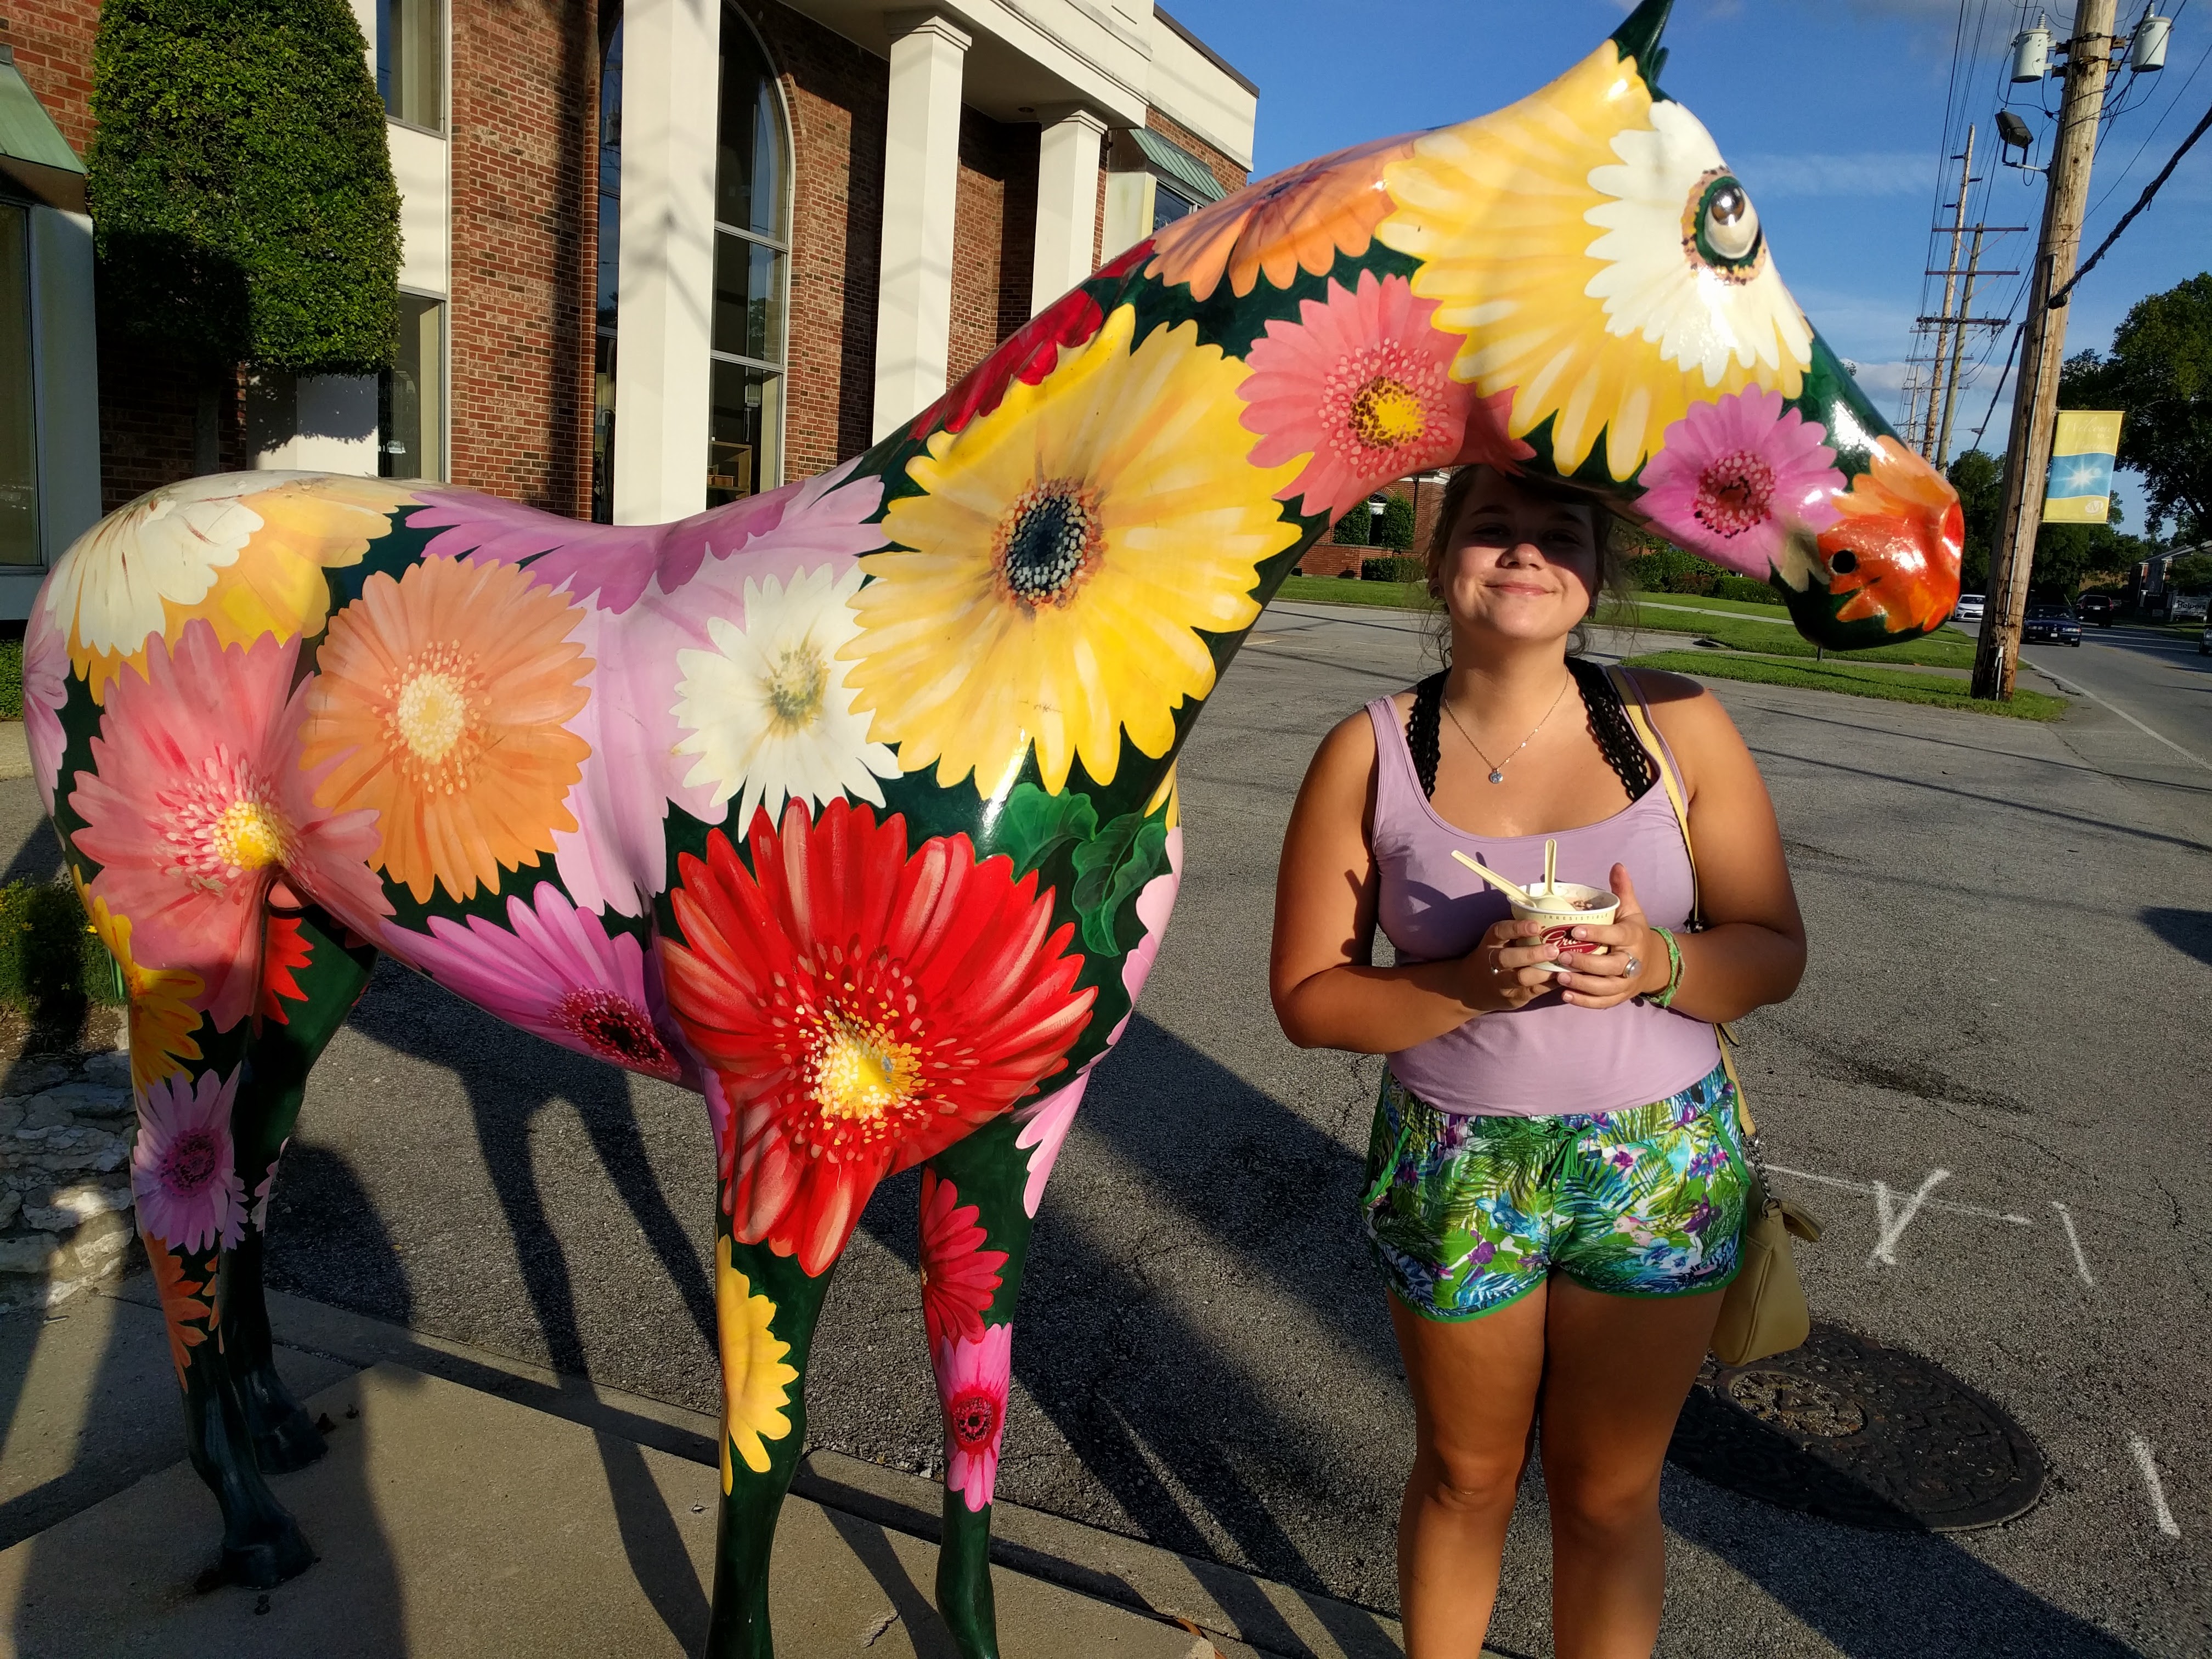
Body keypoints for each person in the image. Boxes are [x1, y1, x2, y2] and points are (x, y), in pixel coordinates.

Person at [1269, 465, 1808, 1659]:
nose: (1523, 554)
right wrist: (1463, 985)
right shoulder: (1369, 751)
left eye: (1558, 535)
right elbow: (1308, 999)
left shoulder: (1679, 724)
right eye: (1491, 530)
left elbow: (1772, 949)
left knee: (1610, 1493)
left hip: (1658, 1156)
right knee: (1466, 1474)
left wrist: (1659, 965)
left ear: (1598, 575)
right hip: (1457, 1161)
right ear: (1441, 560)